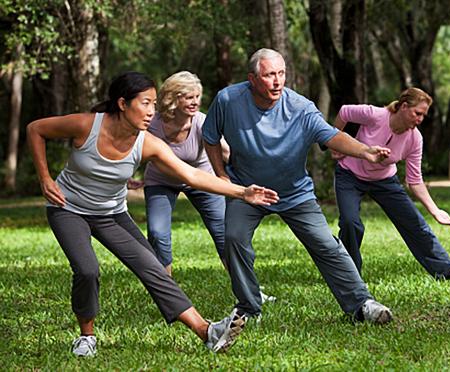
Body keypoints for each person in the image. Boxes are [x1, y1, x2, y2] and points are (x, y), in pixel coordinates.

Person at [26, 71, 279, 356]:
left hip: (111, 214)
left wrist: (242, 192)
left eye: (154, 104)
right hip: (68, 209)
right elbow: (36, 129)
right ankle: (86, 337)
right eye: (145, 103)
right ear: (123, 104)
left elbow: (191, 175)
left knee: (154, 269)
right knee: (87, 269)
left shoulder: (147, 143)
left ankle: (206, 332)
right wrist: (45, 179)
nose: (151, 112)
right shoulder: (87, 125)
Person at [202, 48, 393, 324]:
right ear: (252, 79)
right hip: (248, 191)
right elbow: (210, 137)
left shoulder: (300, 107)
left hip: (294, 192)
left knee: (326, 244)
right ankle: (249, 307)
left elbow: (330, 135)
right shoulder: (228, 100)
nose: (277, 81)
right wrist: (221, 175)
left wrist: (365, 152)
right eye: (269, 75)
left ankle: (361, 305)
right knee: (233, 238)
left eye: (281, 74)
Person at [138, 71, 275, 303]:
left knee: (225, 235)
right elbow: (133, 150)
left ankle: (252, 292)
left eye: (198, 96)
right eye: (188, 97)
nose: (195, 102)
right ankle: (169, 299)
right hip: (161, 182)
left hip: (201, 180)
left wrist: (255, 168)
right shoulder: (153, 124)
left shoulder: (201, 122)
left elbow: (226, 152)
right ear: (173, 98)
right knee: (158, 234)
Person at [332, 87, 450, 280]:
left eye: (423, 116)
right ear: (403, 106)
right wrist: (335, 142)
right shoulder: (376, 115)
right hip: (349, 175)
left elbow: (414, 180)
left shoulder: (415, 139)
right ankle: (350, 277)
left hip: (384, 181)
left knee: (415, 223)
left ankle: (449, 272)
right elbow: (344, 112)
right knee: (351, 223)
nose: (420, 119)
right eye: (417, 113)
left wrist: (435, 211)